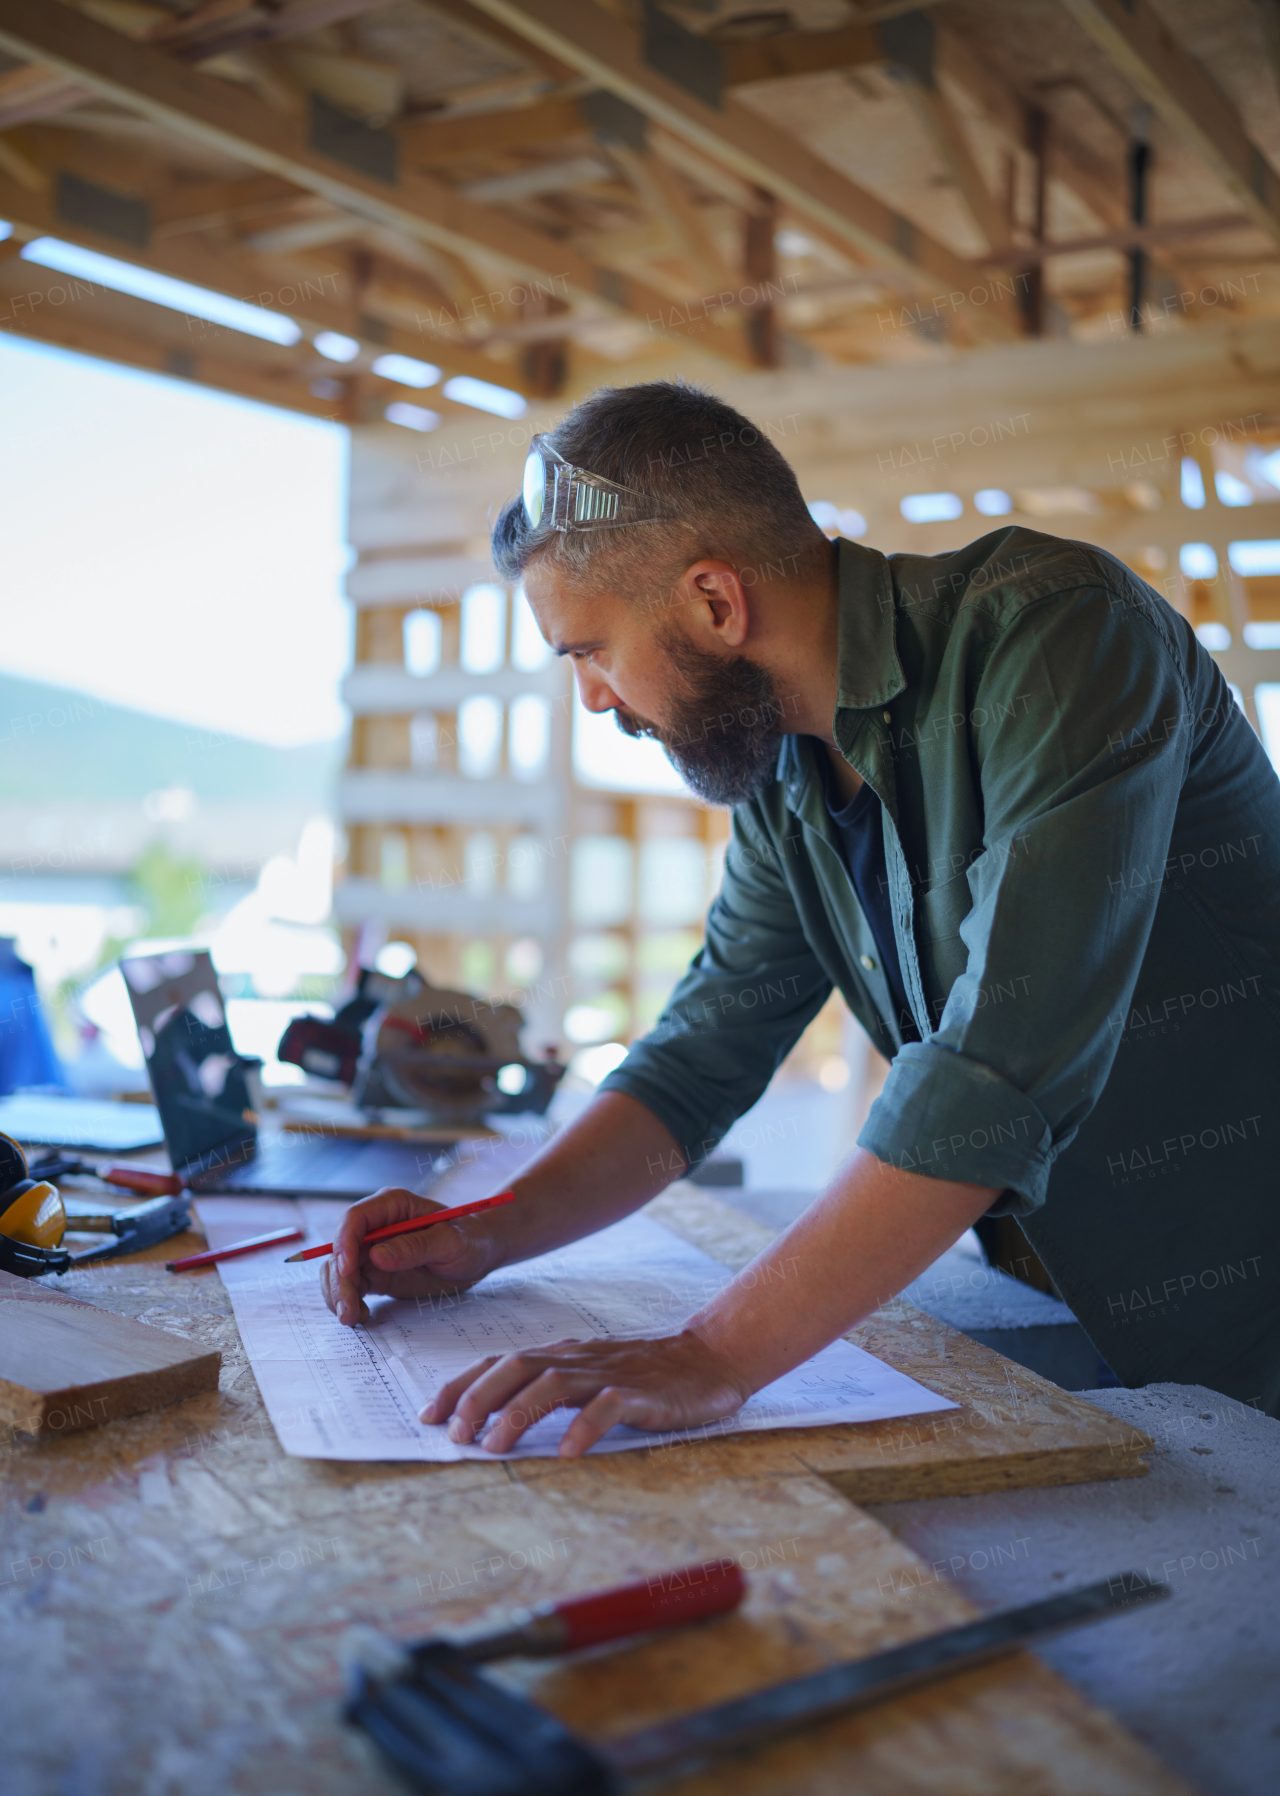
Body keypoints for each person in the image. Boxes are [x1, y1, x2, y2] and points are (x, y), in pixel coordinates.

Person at [322, 381, 1280, 1447]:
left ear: (715, 603)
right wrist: (488, 1234)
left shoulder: (1055, 636)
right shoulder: (786, 773)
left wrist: (712, 1353)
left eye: (589, 649)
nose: (593, 697)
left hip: (1248, 1326)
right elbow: (698, 1059)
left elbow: (997, 1065)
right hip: (1079, 1307)